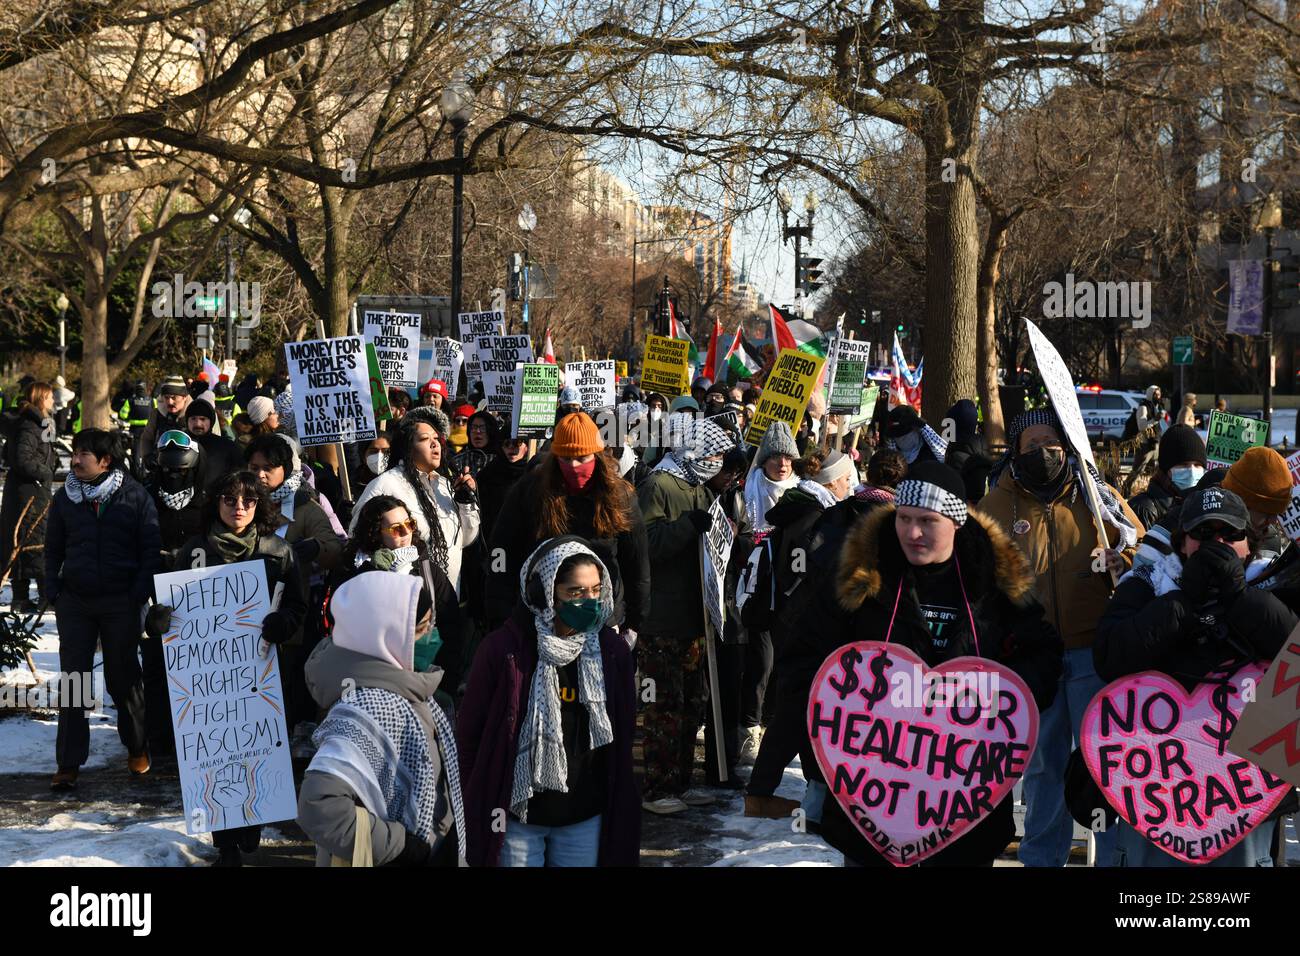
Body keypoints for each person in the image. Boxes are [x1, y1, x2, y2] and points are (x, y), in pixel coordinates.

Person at [790, 461, 1062, 865]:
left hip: (967, 797)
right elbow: (804, 662)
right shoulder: (860, 577)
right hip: (871, 794)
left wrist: (999, 700)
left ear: (955, 521)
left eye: (927, 521)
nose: (912, 533)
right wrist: (825, 751)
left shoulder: (996, 583)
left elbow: (1042, 655)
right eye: (904, 518)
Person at [1095, 486, 1296, 866]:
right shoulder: (1148, 584)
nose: (1216, 544)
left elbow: (1293, 650)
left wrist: (1240, 599)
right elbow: (1110, 656)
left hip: (1244, 785)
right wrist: (1183, 603)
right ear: (1181, 543)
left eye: (1228, 534)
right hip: (1157, 779)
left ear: (1249, 543)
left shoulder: (1271, 585)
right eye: (1203, 535)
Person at [977, 407, 1143, 867]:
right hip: (1036, 658)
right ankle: (1041, 857)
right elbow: (979, 575)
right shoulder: (995, 504)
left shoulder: (1097, 495)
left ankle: (1114, 858)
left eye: (1050, 443)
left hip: (1095, 651)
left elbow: (1142, 549)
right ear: (1014, 451)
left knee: (1103, 764)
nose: (1042, 453)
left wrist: (1123, 562)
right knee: (1044, 767)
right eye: (1031, 445)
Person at [148, 471, 307, 863]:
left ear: (260, 506)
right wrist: (159, 620)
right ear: (216, 503)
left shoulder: (278, 551)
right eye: (230, 500)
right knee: (217, 750)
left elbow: (298, 605)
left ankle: (250, 825)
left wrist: (283, 624)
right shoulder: (193, 550)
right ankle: (227, 842)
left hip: (262, 670)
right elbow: (170, 607)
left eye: (248, 502)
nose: (239, 508)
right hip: (209, 682)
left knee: (255, 747)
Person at [457, 537, 639, 865]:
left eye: (596, 590)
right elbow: (469, 736)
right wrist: (475, 800)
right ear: (546, 592)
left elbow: (623, 735)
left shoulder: (612, 652)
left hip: (583, 816)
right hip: (517, 817)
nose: (589, 601)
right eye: (576, 592)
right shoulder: (502, 650)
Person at [297, 571, 467, 866]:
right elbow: (317, 806)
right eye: (425, 626)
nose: (434, 636)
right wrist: (400, 847)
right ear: (387, 634)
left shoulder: (409, 692)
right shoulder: (367, 708)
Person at [741, 449, 857, 818]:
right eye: (846, 480)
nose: (849, 487)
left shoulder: (803, 508)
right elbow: (807, 574)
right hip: (805, 627)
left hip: (793, 623)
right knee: (796, 711)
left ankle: (813, 790)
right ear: (831, 482)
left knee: (804, 709)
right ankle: (764, 793)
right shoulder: (814, 515)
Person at [46, 429, 161, 790]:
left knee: (123, 678)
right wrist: (53, 589)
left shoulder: (134, 496)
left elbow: (150, 550)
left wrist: (137, 594)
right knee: (74, 681)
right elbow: (52, 549)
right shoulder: (64, 497)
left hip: (120, 602)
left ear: (105, 461)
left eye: (84, 454)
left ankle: (137, 747)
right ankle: (68, 763)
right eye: (75, 452)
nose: (75, 460)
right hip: (76, 602)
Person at [636, 416, 735, 814]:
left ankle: (681, 780)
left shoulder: (697, 487)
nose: (716, 462)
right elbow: (645, 543)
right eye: (712, 453)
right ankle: (657, 788)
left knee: (692, 702)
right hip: (663, 619)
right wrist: (685, 528)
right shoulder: (658, 486)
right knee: (664, 706)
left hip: (696, 619)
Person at [488, 412, 648, 637]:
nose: (573, 466)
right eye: (565, 458)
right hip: (542, 617)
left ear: (597, 455)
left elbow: (637, 565)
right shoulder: (531, 490)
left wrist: (633, 622)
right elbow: (501, 549)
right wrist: (501, 611)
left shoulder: (619, 496)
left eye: (582, 458)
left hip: (603, 617)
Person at [333, 495, 464, 693]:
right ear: (375, 533)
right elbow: (341, 620)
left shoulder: (427, 569)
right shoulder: (355, 567)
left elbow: (451, 625)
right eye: (396, 529)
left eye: (409, 524)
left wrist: (444, 681)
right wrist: (372, 572)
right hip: (372, 682)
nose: (406, 533)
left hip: (424, 679)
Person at [350, 408, 480, 597]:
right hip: (403, 601)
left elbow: (465, 540)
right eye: (425, 439)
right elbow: (357, 540)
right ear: (407, 447)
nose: (434, 444)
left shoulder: (445, 485)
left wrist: (465, 502)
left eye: (436, 439)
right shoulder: (385, 485)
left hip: (447, 598)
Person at [0, 381, 57, 612]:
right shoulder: (29, 426)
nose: (54, 401)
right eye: (51, 397)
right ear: (41, 398)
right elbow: (23, 459)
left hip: (32, 491)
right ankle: (37, 598)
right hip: (28, 494)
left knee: (33, 540)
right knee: (33, 542)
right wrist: (45, 473)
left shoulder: (40, 423)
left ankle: (28, 597)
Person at [1127, 424, 1206, 531]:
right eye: (1183, 465)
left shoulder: (1200, 505)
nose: (1192, 471)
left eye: (1197, 465)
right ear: (1166, 470)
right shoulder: (1143, 508)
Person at [477, 433, 530, 543]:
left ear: (526, 446)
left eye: (517, 443)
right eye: (506, 443)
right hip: (495, 541)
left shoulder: (534, 474)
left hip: (525, 541)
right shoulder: (488, 473)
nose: (511, 447)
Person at [136, 376, 191, 480]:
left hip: (186, 471)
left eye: (174, 397)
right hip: (160, 470)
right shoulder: (156, 414)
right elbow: (147, 437)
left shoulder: (194, 415)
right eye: (166, 397)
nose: (170, 402)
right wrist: (147, 456)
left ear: (184, 397)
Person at [185, 398, 243, 489]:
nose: (198, 424)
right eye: (193, 419)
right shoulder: (179, 444)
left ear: (211, 421)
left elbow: (240, 475)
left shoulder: (226, 447)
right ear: (187, 421)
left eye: (203, 419)